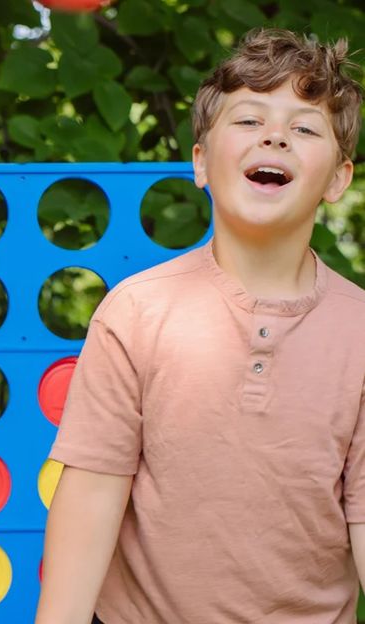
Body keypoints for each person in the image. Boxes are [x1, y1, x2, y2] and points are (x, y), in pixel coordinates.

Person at [36, 28, 365, 624]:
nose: (274, 136)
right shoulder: (135, 312)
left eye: (305, 128)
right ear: (200, 163)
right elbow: (89, 498)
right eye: (248, 121)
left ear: (338, 180)